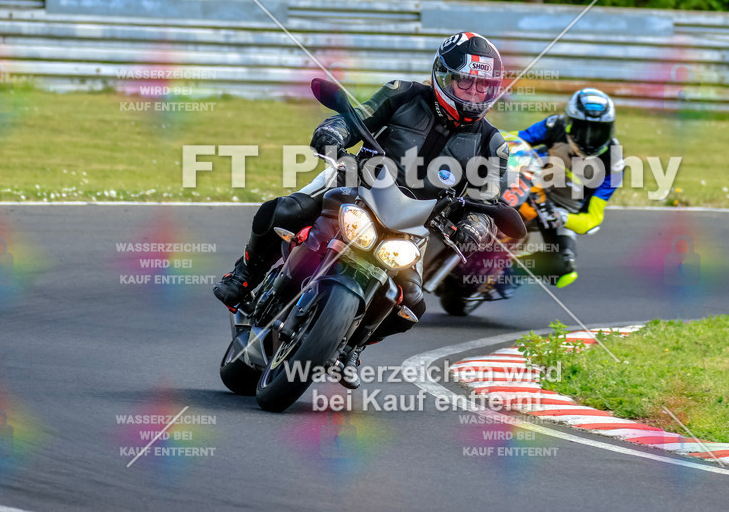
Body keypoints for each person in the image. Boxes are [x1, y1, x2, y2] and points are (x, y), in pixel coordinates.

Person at [214, 32, 509, 387]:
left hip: (413, 224)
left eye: (483, 87)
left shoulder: (492, 142)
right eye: (466, 83)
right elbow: (356, 118)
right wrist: (334, 132)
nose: (475, 94)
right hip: (357, 183)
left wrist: (475, 226)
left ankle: (353, 345)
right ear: (443, 76)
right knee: (283, 211)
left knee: (411, 306)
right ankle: (245, 275)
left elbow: (489, 198)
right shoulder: (403, 93)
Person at [515, 88, 622, 288]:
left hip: (559, 212)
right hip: (529, 184)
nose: (590, 140)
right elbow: (515, 139)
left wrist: (560, 217)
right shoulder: (554, 125)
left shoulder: (613, 163)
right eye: (584, 130)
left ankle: (508, 272)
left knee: (563, 270)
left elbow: (592, 219)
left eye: (598, 132)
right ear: (570, 124)